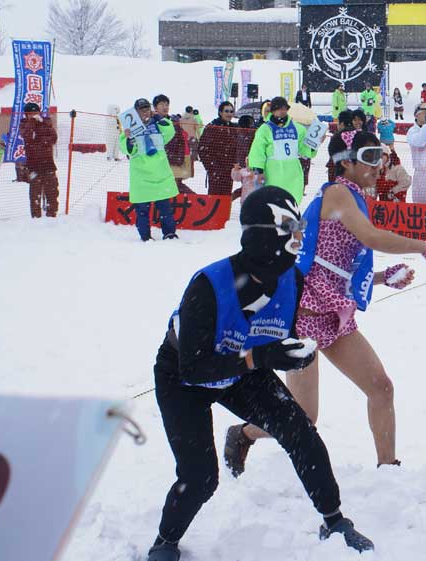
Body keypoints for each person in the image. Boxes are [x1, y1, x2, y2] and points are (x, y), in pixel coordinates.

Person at [146, 187, 374, 561]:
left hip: (241, 371)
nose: (299, 236)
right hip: (184, 377)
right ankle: (165, 542)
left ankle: (334, 521)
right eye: (290, 226)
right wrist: (260, 358)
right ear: (262, 232)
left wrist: (290, 354)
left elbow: (276, 337)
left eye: (300, 225)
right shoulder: (208, 285)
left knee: (301, 432)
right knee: (201, 477)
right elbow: (196, 367)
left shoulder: (290, 279)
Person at [224, 131, 426, 472]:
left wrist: (380, 277)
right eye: (371, 156)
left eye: (383, 155)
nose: (381, 165)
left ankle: (388, 468)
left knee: (381, 388)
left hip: (333, 313)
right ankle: (243, 433)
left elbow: (329, 264)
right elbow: (371, 238)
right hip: (302, 316)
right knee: (303, 416)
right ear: (346, 162)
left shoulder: (351, 197)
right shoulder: (338, 193)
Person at [119, 98, 179, 242]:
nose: (145, 112)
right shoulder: (129, 128)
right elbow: (126, 149)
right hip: (141, 175)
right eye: (141, 109)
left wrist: (158, 117)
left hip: (160, 173)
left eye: (147, 108)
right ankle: (145, 236)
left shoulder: (158, 124)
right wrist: (128, 139)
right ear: (135, 112)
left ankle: (169, 233)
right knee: (142, 211)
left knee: (165, 209)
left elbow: (170, 132)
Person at [248, 96, 320, 203]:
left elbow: (305, 150)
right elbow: (257, 151)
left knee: (292, 201)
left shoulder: (298, 128)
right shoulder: (265, 129)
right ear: (273, 111)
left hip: (293, 172)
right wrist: (259, 170)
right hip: (273, 172)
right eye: (278, 108)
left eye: (284, 108)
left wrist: (315, 144)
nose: (281, 111)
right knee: (273, 202)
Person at [19, 102, 59, 218]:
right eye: (30, 114)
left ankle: (52, 215)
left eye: (35, 113)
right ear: (26, 115)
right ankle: (36, 217)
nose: (33, 115)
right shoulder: (24, 124)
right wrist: (32, 123)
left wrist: (41, 140)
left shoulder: (46, 122)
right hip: (33, 166)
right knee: (35, 193)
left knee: (52, 191)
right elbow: (28, 137)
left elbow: (53, 138)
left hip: (48, 164)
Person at [197, 101, 242, 196]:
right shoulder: (212, 126)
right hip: (216, 170)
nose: (229, 114)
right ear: (220, 112)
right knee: (215, 198)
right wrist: (212, 167)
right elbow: (202, 149)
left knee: (226, 198)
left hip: (229, 170)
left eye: (231, 111)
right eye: (226, 111)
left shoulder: (234, 128)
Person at [153, 94, 193, 194]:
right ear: (155, 107)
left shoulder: (174, 122)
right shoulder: (150, 123)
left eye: (167, 104)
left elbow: (181, 142)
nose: (165, 107)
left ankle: (195, 205)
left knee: (175, 186)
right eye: (162, 104)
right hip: (156, 164)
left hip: (173, 161)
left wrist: (178, 158)